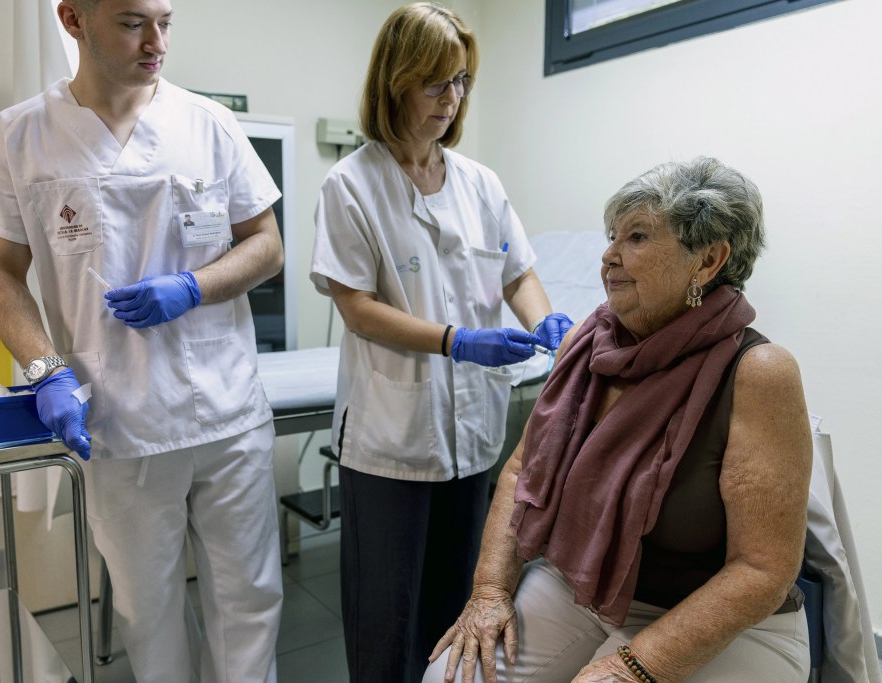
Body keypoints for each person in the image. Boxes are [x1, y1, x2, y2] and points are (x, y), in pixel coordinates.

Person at [0, 1, 285, 681]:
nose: (156, 42)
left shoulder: (210, 124)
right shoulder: (20, 135)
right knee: (149, 614)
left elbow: (266, 244)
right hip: (117, 420)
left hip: (228, 413)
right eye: (134, 23)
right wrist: (47, 370)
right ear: (73, 19)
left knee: (249, 604)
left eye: (165, 21)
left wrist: (195, 286)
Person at [423, 157, 814, 683]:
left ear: (708, 260)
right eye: (613, 237)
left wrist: (636, 665)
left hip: (727, 620)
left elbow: (763, 570)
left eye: (636, 237)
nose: (608, 255)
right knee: (449, 676)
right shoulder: (588, 341)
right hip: (584, 583)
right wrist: (489, 592)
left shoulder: (759, 373)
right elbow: (520, 473)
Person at [309, 4, 573, 681]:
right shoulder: (351, 185)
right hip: (390, 440)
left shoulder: (480, 183)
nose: (451, 99)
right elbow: (357, 308)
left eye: (460, 82)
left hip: (472, 435)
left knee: (456, 611)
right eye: (434, 83)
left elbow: (518, 272)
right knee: (385, 619)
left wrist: (545, 320)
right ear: (394, 81)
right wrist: (456, 341)